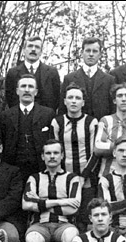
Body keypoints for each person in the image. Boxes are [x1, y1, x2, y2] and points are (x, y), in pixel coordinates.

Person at [23, 139, 81, 242]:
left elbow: (73, 208)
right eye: (48, 153)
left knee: (71, 236)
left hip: (64, 224)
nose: (52, 156)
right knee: (32, 240)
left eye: (56, 153)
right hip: (40, 224)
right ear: (43, 156)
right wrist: (61, 201)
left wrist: (41, 202)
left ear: (62, 155)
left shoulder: (72, 178)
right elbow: (26, 205)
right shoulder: (34, 178)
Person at [51, 83, 98, 231]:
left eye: (78, 98)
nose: (73, 101)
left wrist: (84, 176)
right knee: (66, 216)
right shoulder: (57, 122)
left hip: (87, 176)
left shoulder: (92, 122)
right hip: (64, 176)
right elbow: (54, 151)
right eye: (70, 97)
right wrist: (64, 175)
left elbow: (95, 152)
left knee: (85, 216)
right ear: (64, 101)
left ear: (83, 102)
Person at [0, 74, 55, 180]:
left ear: (36, 91)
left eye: (30, 87)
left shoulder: (47, 114)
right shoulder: (6, 115)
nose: (26, 90)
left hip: (40, 168)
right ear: (17, 91)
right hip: (14, 168)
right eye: (23, 86)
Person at [93, 83, 126, 177]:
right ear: (114, 100)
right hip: (106, 175)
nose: (123, 99)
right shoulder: (105, 120)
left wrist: (110, 144)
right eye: (119, 96)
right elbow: (98, 148)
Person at [58, 37, 116, 119]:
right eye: (88, 51)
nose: (91, 54)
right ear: (82, 53)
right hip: (76, 127)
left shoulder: (109, 80)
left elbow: (113, 109)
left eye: (95, 51)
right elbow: (62, 109)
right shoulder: (69, 78)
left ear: (100, 54)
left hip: (101, 127)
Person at [4, 35, 61, 110]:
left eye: (37, 47)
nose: (33, 49)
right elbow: (10, 99)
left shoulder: (52, 73)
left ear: (41, 51)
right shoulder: (13, 73)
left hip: (45, 119)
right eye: (30, 46)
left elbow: (56, 99)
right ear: (24, 50)